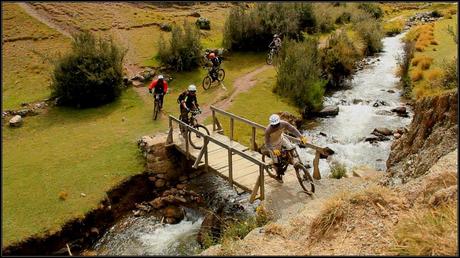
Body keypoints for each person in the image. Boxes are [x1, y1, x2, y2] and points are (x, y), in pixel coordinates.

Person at [264, 114, 308, 183]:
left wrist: (301, 137)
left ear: (279, 122)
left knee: (291, 147)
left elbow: (292, 129)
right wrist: (273, 150)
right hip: (272, 145)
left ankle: (290, 159)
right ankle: (278, 176)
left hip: (281, 139)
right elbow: (267, 143)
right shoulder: (268, 130)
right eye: (273, 125)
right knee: (277, 162)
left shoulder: (284, 124)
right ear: (271, 124)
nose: (275, 126)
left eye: (277, 124)